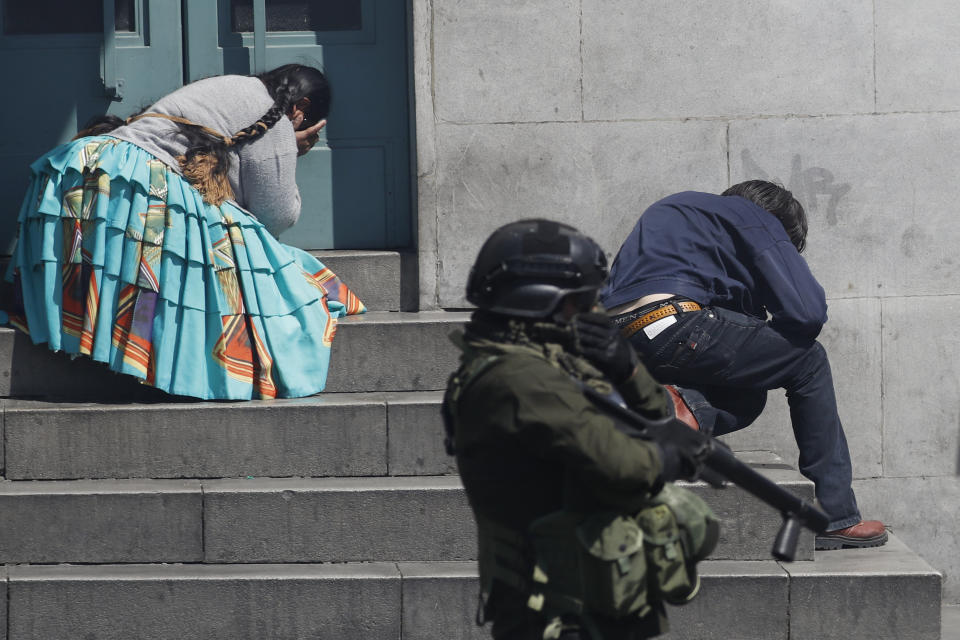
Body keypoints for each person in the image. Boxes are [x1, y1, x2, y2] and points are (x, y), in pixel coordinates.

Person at [4, 64, 365, 400]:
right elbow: (277, 215)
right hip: (133, 189)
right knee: (249, 248)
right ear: (301, 109)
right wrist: (292, 146)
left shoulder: (231, 88)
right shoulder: (275, 118)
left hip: (77, 175)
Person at [444, 219, 718, 640]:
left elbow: (656, 416)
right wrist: (670, 456)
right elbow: (621, 463)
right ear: (542, 302)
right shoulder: (520, 381)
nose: (594, 311)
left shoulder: (549, 362)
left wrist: (626, 368)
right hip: (553, 609)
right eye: (582, 301)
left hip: (595, 592)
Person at [600, 180, 887, 550]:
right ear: (776, 223)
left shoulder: (675, 211)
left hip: (623, 341)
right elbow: (807, 312)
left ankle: (665, 411)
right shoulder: (755, 218)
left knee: (747, 393)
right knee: (808, 359)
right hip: (677, 320)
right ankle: (835, 515)